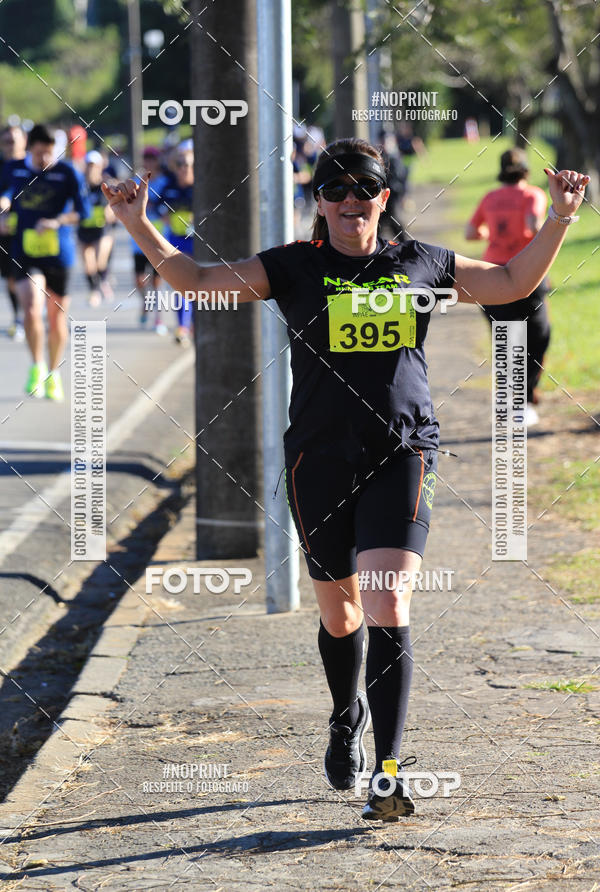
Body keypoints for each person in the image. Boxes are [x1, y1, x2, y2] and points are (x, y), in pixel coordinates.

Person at [102, 138, 588, 821]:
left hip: (402, 452)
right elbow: (196, 281)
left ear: (383, 197)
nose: (351, 200)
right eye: (336, 189)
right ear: (320, 201)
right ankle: (344, 714)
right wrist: (136, 222)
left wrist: (561, 217)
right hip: (319, 460)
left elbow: (511, 283)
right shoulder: (293, 267)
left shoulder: (421, 263)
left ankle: (388, 773)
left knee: (388, 601)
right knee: (342, 615)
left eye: (364, 187)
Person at [0, 123, 90, 401]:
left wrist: (58, 221)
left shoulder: (67, 172)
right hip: (25, 253)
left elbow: (83, 212)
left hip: (59, 254)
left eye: (51, 153)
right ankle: (37, 366)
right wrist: (3, 210)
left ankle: (54, 373)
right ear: (30, 148)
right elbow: (5, 194)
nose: (45, 159)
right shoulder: (14, 169)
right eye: (40, 154)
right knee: (31, 307)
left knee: (56, 317)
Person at [466, 148, 550, 426]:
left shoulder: (490, 197)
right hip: (526, 274)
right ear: (526, 169)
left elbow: (471, 232)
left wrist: (492, 233)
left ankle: (513, 401)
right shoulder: (533, 195)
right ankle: (525, 400)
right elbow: (533, 225)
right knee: (537, 336)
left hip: (491, 276)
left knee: (506, 340)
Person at [158, 145, 194, 345]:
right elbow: (158, 206)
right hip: (177, 242)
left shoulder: (200, 189)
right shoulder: (169, 187)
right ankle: (183, 326)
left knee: (198, 284)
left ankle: (194, 324)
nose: (183, 168)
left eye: (187, 164)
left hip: (199, 244)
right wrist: (166, 217)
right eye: (179, 164)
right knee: (181, 284)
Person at [132, 146, 168, 334]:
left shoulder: (165, 182)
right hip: (139, 240)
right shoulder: (136, 182)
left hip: (159, 239)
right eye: (146, 159)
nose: (149, 162)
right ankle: (146, 303)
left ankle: (158, 319)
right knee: (139, 281)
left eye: (152, 159)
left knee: (157, 282)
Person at [78, 151, 116, 306]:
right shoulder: (80, 186)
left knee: (100, 260)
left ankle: (104, 281)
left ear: (100, 167)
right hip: (84, 229)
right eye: (89, 165)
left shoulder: (106, 185)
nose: (91, 169)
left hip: (102, 229)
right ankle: (94, 291)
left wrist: (110, 211)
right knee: (88, 265)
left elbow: (115, 204)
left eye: (94, 166)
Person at [0, 124, 27, 340]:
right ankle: (19, 317)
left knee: (32, 275)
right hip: (6, 232)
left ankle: (31, 311)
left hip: (32, 230)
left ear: (24, 141)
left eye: (14, 141)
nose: (10, 145)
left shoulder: (33, 164)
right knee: (11, 277)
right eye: (6, 141)